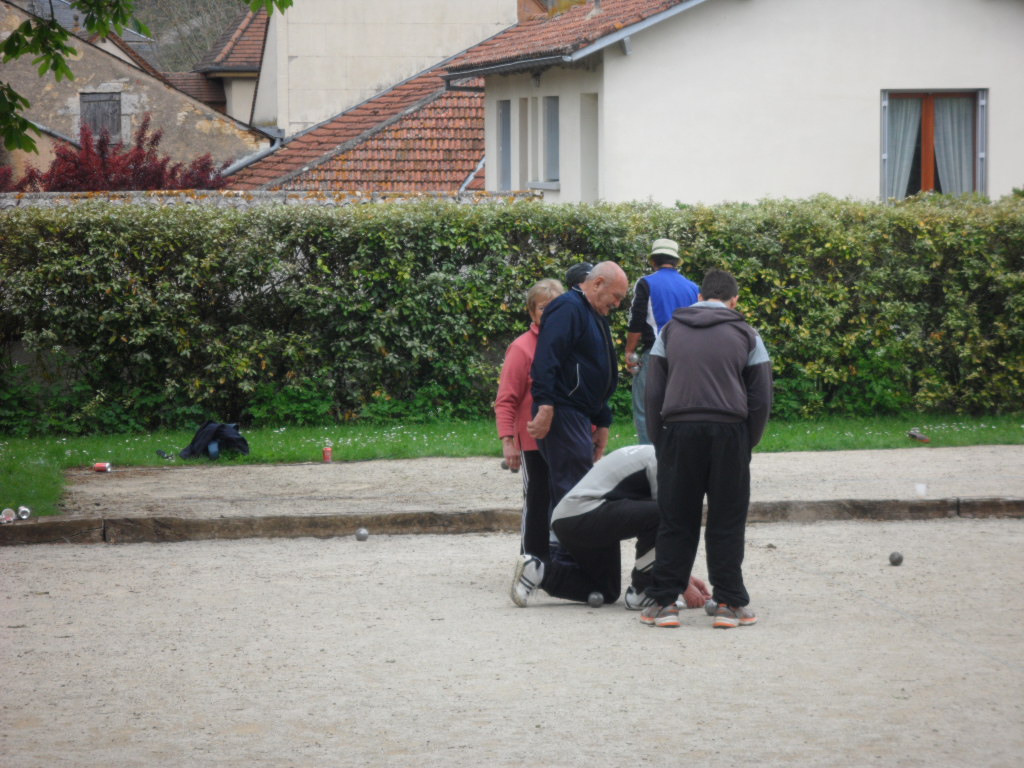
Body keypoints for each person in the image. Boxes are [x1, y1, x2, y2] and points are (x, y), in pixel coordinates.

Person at [639, 267, 772, 629]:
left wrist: (660, 438)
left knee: (676, 518)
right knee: (727, 518)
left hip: (678, 431)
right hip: (730, 432)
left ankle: (664, 603)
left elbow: (653, 391)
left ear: (698, 297)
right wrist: (748, 439)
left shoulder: (670, 330)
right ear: (734, 301)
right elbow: (761, 396)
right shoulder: (748, 333)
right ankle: (729, 603)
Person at [510, 445, 711, 609]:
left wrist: (684, 578)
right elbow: (668, 527)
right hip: (582, 516)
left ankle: (538, 572)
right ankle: (642, 592)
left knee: (606, 590)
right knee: (664, 515)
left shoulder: (658, 453)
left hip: (573, 519)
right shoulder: (664, 462)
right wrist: (682, 583)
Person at [527, 261, 629, 514]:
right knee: (574, 493)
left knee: (575, 488)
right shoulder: (569, 308)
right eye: (616, 296)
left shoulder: (592, 312)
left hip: (578, 413)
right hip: (564, 411)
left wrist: (602, 421)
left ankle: (563, 539)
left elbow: (596, 372)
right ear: (597, 284)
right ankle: (566, 541)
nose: (617, 304)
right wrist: (545, 404)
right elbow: (547, 358)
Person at [494, 278, 565, 561]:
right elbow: (506, 399)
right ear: (532, 312)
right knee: (537, 501)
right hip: (534, 442)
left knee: (568, 500)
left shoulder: (570, 343)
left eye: (555, 307)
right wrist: (508, 441)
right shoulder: (521, 348)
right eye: (543, 308)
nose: (549, 314)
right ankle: (531, 561)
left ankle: (561, 562)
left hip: (567, 437)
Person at [624, 238, 699, 445]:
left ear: (653, 261)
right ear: (676, 261)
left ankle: (651, 456)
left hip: (656, 355)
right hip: (686, 358)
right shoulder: (693, 287)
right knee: (681, 410)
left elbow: (636, 320)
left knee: (645, 409)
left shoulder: (646, 283)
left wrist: (629, 351)